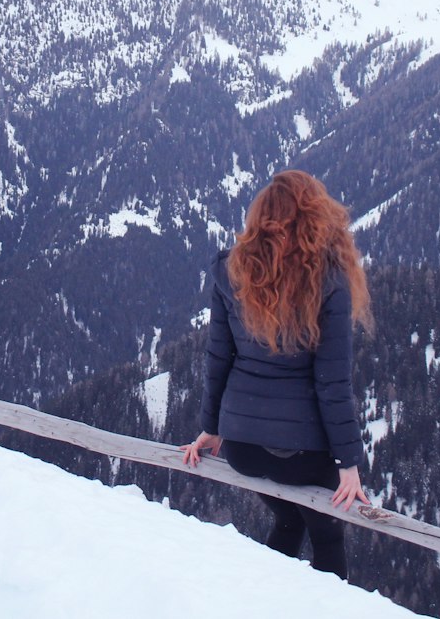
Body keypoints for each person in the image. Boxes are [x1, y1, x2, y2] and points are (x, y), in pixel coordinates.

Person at [180, 169, 374, 580]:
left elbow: (218, 357)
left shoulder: (231, 271)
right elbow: (333, 383)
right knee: (327, 537)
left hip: (243, 449)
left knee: (288, 522)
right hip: (303, 454)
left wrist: (211, 428)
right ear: (316, 218)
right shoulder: (330, 281)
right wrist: (348, 462)